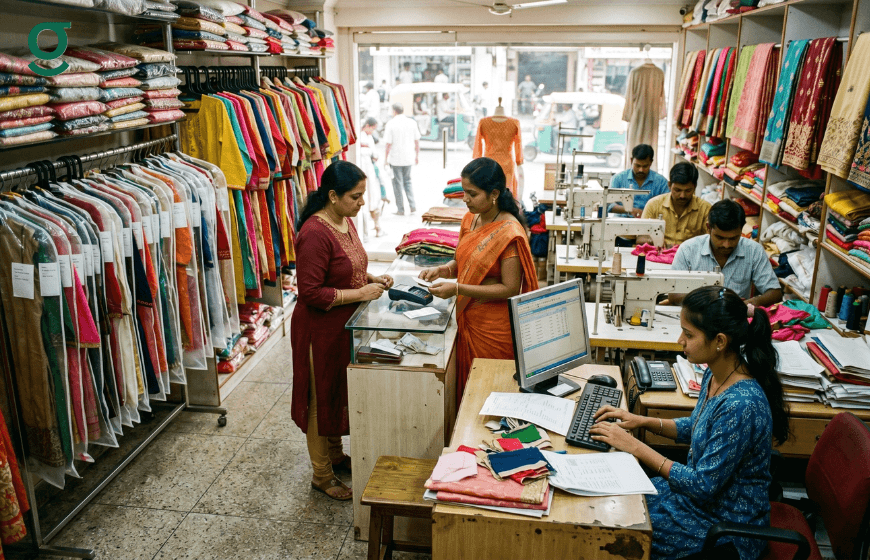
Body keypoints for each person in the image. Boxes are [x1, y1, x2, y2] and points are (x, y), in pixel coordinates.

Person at [591, 286, 789, 559]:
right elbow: (696, 426)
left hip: (726, 527)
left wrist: (635, 446)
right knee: (619, 501)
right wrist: (641, 421)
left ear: (720, 341)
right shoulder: (717, 374)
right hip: (699, 504)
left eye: (689, 334)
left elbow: (702, 485)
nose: (680, 340)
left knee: (617, 532)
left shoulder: (741, 405)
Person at [290, 161, 395, 501]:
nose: (362, 202)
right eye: (355, 196)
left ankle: (335, 455)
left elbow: (345, 267)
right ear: (333, 196)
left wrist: (371, 278)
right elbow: (310, 292)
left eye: (363, 195)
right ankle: (321, 475)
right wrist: (360, 293)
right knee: (318, 399)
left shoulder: (344, 220)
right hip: (318, 330)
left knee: (334, 391)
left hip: (341, 327)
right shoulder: (314, 233)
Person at [418, 158, 539, 404]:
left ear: (494, 194)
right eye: (464, 192)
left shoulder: (509, 232)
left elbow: (510, 288)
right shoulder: (470, 219)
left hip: (493, 330)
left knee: (490, 394)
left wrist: (458, 288)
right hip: (468, 317)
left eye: (472, 194)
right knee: (468, 395)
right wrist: (443, 269)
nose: (465, 199)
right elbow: (462, 261)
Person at [670, 199, 783, 308]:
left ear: (741, 229)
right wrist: (711, 302)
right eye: (720, 238)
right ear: (709, 228)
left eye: (733, 238)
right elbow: (673, 295)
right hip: (696, 314)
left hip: (736, 315)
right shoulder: (688, 250)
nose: (726, 245)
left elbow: (775, 293)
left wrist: (749, 304)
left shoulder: (754, 251)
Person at [639, 162, 711, 247]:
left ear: (695, 187)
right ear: (669, 185)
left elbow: (710, 241)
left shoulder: (705, 209)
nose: (682, 196)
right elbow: (640, 238)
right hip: (659, 252)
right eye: (677, 190)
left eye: (688, 191)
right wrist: (653, 240)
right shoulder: (653, 205)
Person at [610, 143, 670, 217]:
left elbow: (668, 205)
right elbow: (609, 204)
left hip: (649, 221)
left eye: (645, 166)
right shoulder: (618, 179)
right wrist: (629, 210)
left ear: (651, 162)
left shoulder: (661, 182)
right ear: (631, 160)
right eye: (637, 165)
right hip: (622, 221)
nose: (641, 170)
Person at [383, 102, 420, 215]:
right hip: (409, 157)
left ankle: (400, 209)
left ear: (394, 111)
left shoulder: (391, 123)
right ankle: (412, 206)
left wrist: (385, 159)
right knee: (408, 181)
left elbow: (388, 144)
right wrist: (417, 155)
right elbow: (417, 141)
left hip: (396, 159)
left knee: (397, 184)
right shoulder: (412, 122)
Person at [358, 117, 389, 237]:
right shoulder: (362, 138)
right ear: (367, 126)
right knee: (370, 200)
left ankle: (377, 228)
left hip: (371, 172)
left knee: (373, 199)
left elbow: (374, 154)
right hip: (366, 172)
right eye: (373, 128)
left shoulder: (368, 137)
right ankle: (375, 228)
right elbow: (371, 153)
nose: (373, 131)